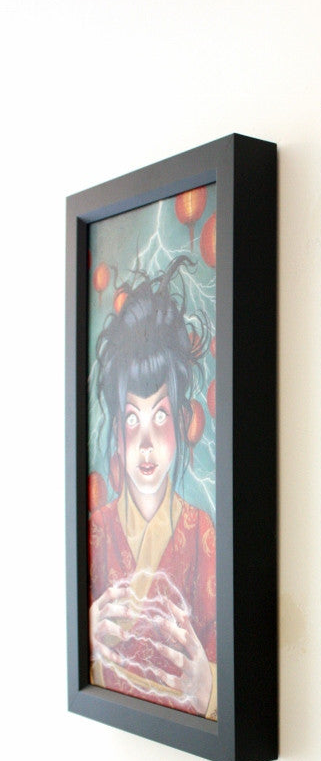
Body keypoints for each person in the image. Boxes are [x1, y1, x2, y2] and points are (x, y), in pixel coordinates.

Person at [88, 255, 217, 720]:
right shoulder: (96, 531)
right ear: (116, 430)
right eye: (131, 418)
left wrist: (208, 687)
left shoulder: (202, 533)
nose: (145, 443)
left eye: (159, 415)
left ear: (182, 420)